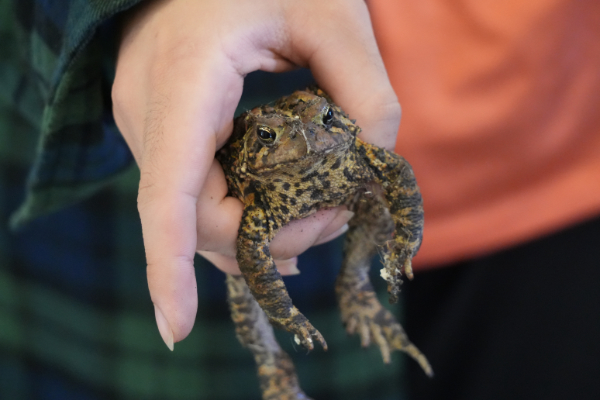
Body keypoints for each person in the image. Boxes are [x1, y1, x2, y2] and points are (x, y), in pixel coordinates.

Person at [1, 0, 599, 399]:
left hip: (548, 143)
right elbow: (256, 259)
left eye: (320, 125)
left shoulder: (346, 148)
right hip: (140, 209)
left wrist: (402, 243)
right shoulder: (261, 194)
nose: (304, 140)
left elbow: (393, 176)